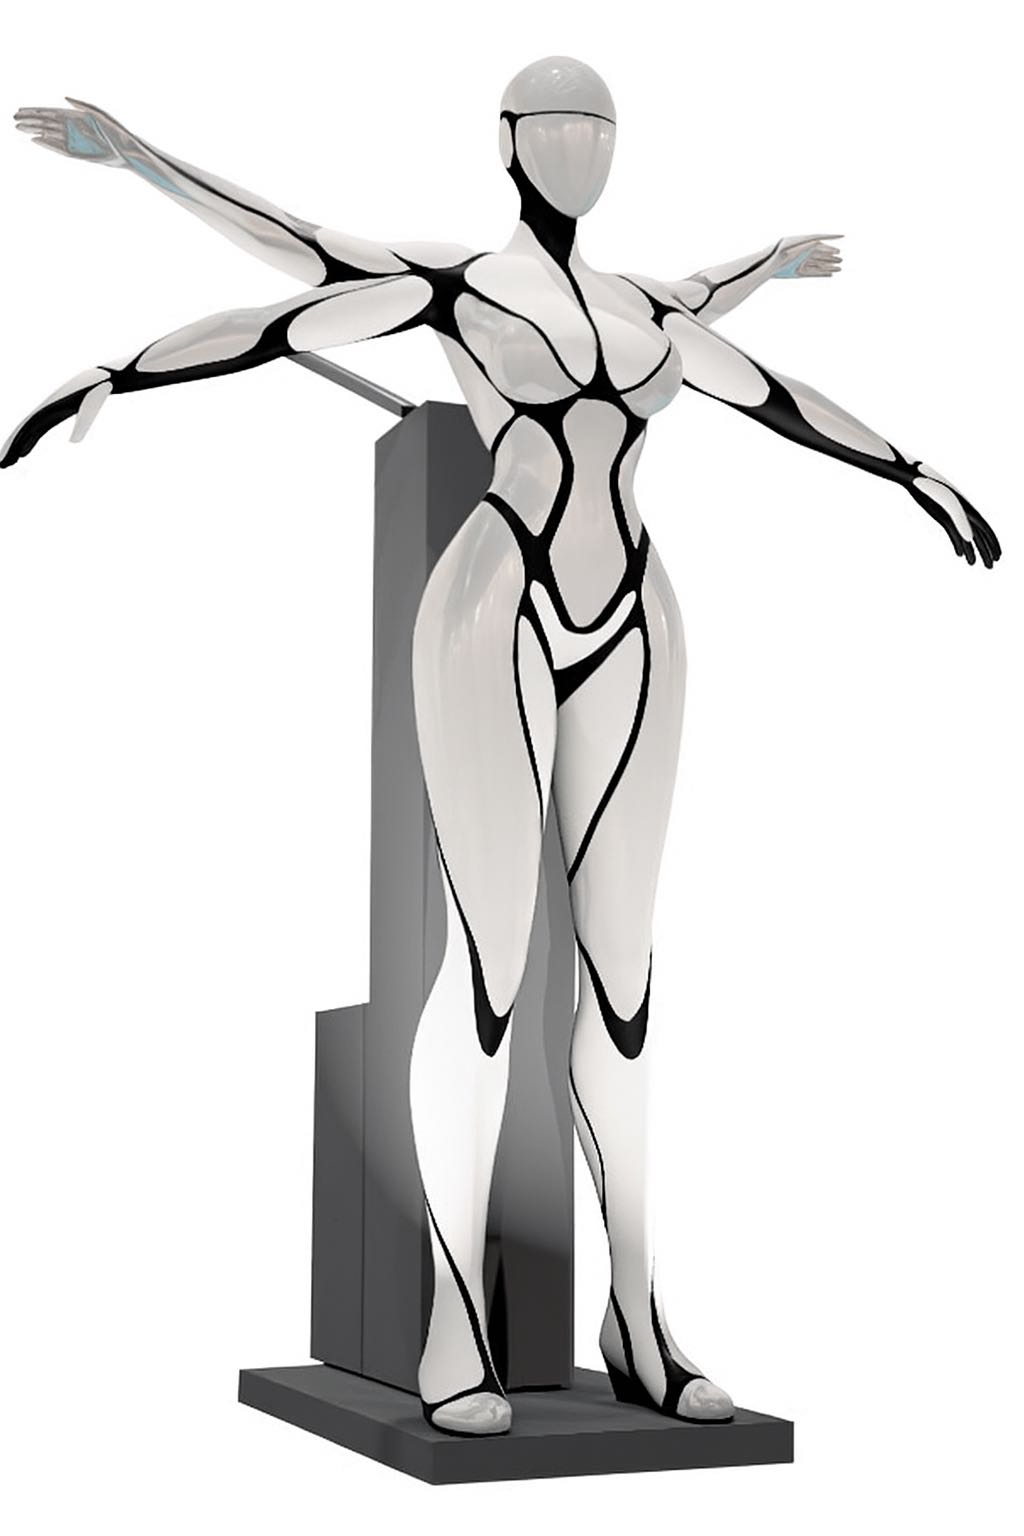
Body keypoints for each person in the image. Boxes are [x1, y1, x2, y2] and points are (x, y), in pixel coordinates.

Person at [3, 56, 1000, 1439]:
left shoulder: (653, 307)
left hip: (639, 615)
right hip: (499, 596)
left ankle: (637, 1315)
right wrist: (128, 289)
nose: (585, 147)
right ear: (511, 142)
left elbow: (769, 384)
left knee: (627, 985)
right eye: (560, 126)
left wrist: (909, 465)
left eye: (602, 128)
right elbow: (290, 289)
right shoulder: (462, 285)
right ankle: (452, 1314)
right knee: (487, 967)